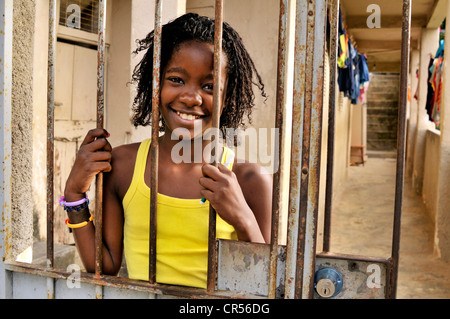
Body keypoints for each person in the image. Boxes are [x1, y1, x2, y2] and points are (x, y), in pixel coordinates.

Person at [61, 13, 272, 289]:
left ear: (228, 97)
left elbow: (266, 283)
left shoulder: (249, 180)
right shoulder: (123, 167)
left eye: (209, 87)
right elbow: (105, 266)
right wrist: (75, 195)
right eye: (176, 80)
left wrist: (243, 218)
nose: (191, 97)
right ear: (155, 84)